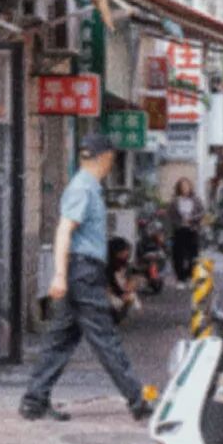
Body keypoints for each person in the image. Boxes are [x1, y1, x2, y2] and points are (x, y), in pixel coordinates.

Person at [19, 133, 156, 422]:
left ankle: (34, 401)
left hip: (82, 270)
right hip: (82, 271)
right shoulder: (82, 188)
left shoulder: (88, 187)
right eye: (112, 158)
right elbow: (63, 230)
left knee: (61, 339)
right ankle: (137, 400)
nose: (112, 163)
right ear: (105, 157)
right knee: (105, 338)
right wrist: (59, 275)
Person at [167, 177, 205, 287]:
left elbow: (202, 212)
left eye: (186, 186)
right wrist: (177, 223)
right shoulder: (175, 201)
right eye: (182, 186)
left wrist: (192, 219)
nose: (185, 188)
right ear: (179, 188)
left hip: (192, 230)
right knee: (178, 255)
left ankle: (190, 276)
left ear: (190, 187)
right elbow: (170, 215)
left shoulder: (196, 200)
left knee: (193, 255)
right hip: (179, 230)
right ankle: (180, 278)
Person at [106, 236, 141, 324]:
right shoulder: (107, 267)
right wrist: (122, 294)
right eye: (125, 250)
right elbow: (111, 284)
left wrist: (132, 284)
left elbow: (134, 274)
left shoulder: (123, 265)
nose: (127, 253)